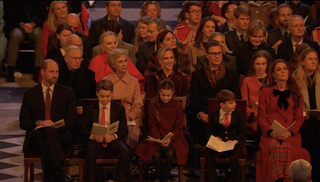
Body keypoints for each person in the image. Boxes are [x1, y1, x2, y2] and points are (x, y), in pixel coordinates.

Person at [19, 59, 77, 182]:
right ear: (42, 72)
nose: (55, 75)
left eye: (57, 71)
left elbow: (72, 121)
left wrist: (54, 126)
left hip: (59, 136)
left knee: (46, 141)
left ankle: (53, 178)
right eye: (51, 71)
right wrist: (39, 123)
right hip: (36, 135)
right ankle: (62, 173)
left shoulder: (67, 93)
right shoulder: (30, 94)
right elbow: (23, 122)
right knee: (48, 134)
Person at [256, 59, 305, 182]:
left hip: (290, 134)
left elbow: (299, 118)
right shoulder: (265, 91)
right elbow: (261, 116)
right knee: (274, 146)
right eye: (279, 69)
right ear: (273, 74)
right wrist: (272, 132)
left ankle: (288, 179)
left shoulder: (296, 91)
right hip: (271, 134)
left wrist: (289, 132)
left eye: (285, 68)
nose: (283, 71)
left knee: (287, 147)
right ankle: (276, 179)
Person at [135, 79, 189, 182]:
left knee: (169, 153)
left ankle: (162, 180)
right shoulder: (153, 104)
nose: (165, 98)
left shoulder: (177, 105)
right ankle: (162, 179)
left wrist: (169, 138)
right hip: (156, 138)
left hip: (174, 139)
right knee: (156, 154)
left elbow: (178, 126)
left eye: (168, 95)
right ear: (159, 92)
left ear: (172, 93)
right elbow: (152, 125)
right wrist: (159, 138)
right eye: (163, 95)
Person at [190, 40, 241, 145]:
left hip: (226, 118)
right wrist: (201, 115)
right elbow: (194, 100)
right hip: (205, 120)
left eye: (219, 53)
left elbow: (237, 98)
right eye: (213, 54)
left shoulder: (232, 74)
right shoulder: (197, 75)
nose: (217, 56)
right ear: (207, 55)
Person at [81, 79, 132, 182]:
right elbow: (83, 130)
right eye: (102, 96)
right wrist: (93, 137)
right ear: (97, 94)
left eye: (108, 96)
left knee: (126, 152)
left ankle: (118, 179)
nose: (105, 99)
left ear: (112, 94)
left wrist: (114, 136)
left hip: (112, 139)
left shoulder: (119, 108)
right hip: (96, 139)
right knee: (90, 153)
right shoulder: (90, 109)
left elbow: (124, 130)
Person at [103, 48, 142, 150]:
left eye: (125, 61)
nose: (124, 64)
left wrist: (128, 117)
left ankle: (128, 159)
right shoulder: (106, 81)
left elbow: (137, 105)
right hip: (110, 118)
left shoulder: (134, 81)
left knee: (129, 130)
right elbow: (103, 103)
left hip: (129, 118)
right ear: (113, 65)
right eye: (120, 62)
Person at [206, 89, 245, 182]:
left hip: (233, 142)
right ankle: (212, 179)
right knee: (209, 155)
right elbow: (210, 131)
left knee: (234, 157)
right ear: (222, 105)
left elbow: (242, 131)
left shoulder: (238, 114)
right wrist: (216, 137)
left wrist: (235, 140)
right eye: (231, 103)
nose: (234, 104)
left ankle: (234, 179)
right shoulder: (214, 115)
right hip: (220, 142)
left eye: (234, 101)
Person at [293, 48, 320, 182]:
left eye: (315, 59)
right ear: (302, 61)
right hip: (303, 119)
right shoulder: (294, 78)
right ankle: (308, 175)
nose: (313, 62)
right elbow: (292, 103)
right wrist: (302, 115)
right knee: (307, 130)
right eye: (310, 59)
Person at [3, 1, 46, 82]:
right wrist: (22, 24)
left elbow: (42, 11)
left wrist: (32, 24)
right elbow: (9, 13)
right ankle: (10, 69)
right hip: (17, 25)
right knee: (15, 36)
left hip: (34, 25)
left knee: (39, 36)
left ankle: (38, 70)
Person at [56, 45, 96, 109]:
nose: (77, 61)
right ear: (66, 58)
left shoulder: (88, 75)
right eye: (74, 58)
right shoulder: (57, 73)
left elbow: (93, 98)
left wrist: (85, 108)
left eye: (79, 58)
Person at [241, 50, 271, 132]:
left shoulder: (273, 81)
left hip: (271, 117)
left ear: (267, 65)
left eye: (263, 64)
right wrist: (253, 114)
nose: (260, 67)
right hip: (254, 118)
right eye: (258, 64)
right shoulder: (247, 82)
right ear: (253, 65)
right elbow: (244, 105)